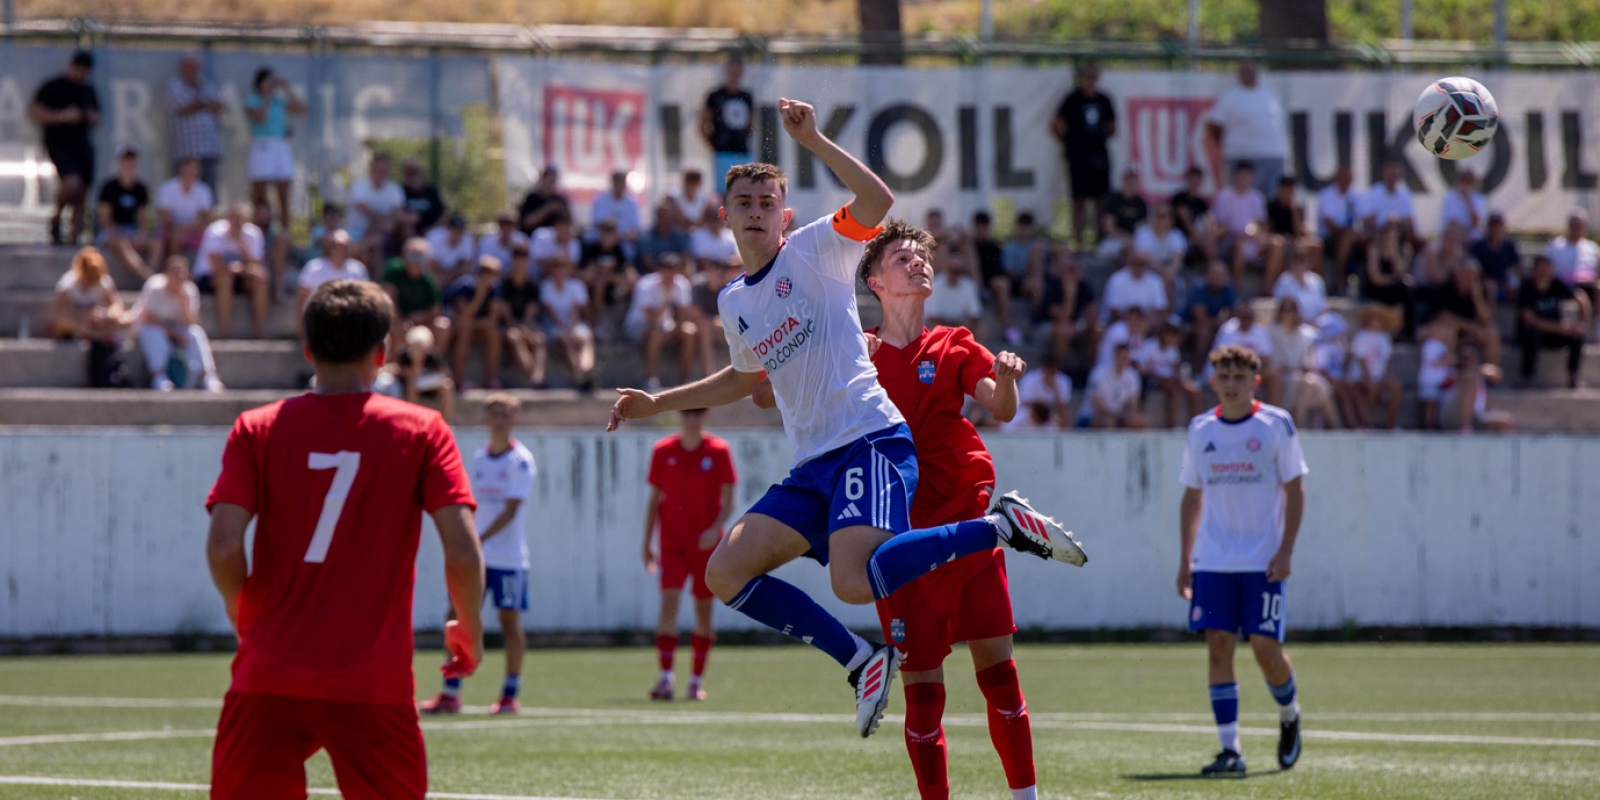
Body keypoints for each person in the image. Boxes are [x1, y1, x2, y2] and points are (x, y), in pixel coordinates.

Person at [607, 102, 1084, 739]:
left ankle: (998, 527)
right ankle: (861, 661)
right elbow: (745, 379)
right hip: (812, 465)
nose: (756, 212)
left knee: (855, 583)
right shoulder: (733, 301)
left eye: (767, 203)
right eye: (744, 203)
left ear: (785, 216)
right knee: (724, 573)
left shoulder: (816, 249)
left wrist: (813, 138)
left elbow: (878, 200)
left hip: (870, 440)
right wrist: (657, 403)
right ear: (724, 216)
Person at [204, 279, 485, 800]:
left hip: (268, 673)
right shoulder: (424, 430)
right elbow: (462, 550)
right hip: (372, 681)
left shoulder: (255, 428)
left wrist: (241, 610)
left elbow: (222, 547)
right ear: (382, 352)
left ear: (308, 350)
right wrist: (469, 626)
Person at [848, 220, 1043, 799]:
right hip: (904, 542)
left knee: (1000, 677)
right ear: (875, 281)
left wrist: (1006, 379)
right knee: (924, 695)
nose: (918, 263)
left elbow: (1001, 408)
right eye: (902, 258)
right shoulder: (857, 355)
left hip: (969, 525)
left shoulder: (954, 342)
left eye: (922, 257)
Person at [1177, 344, 1306, 777]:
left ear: (1255, 382)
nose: (1231, 385)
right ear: (1213, 382)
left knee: (1266, 649)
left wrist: (1286, 550)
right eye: (1224, 377)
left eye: (1239, 377)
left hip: (1262, 561)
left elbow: (1295, 490)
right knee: (1218, 645)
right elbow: (1192, 496)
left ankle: (1289, 713)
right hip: (1213, 560)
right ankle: (1229, 750)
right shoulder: (1200, 429)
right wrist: (1185, 558)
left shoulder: (1275, 424)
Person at [423, 393, 535, 715]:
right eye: (494, 414)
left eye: (505, 414)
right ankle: (450, 691)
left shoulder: (520, 460)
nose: (499, 420)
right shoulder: (478, 459)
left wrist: (475, 537)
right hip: (479, 558)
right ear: (486, 420)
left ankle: (510, 693)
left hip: (509, 558)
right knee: (456, 615)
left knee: (509, 621)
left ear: (514, 420)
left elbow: (510, 510)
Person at [643, 408, 738, 702]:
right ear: (679, 415)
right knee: (668, 604)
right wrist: (646, 542)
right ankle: (665, 678)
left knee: (703, 609)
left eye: (697, 413)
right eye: (687, 413)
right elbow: (654, 500)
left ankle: (696, 681)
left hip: (706, 546)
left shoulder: (719, 450)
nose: (692, 419)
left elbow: (729, 501)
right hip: (671, 543)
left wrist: (714, 529)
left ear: (706, 415)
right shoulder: (663, 450)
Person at [31, 51, 100, 245]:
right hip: (59, 145)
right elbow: (36, 112)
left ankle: (73, 242)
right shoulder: (53, 87)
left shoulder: (88, 90)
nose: (81, 75)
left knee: (81, 194)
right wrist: (62, 116)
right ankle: (56, 216)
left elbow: (97, 115)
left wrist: (86, 116)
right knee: (71, 184)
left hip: (82, 147)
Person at [128, 255, 223, 392]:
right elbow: (148, 319)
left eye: (183, 273)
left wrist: (183, 303)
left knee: (195, 332)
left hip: (176, 331)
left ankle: (207, 376)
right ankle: (159, 377)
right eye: (175, 273)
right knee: (153, 332)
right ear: (166, 273)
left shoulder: (189, 290)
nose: (179, 277)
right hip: (150, 330)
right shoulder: (155, 286)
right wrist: (175, 335)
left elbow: (191, 321)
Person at [1052, 61, 1116, 250]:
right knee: (1078, 200)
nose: (1091, 80)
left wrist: (1096, 142)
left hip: (1099, 156)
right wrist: (1070, 143)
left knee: (1100, 201)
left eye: (1094, 76)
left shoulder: (1104, 100)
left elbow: (1112, 128)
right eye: (1088, 76)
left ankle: (1100, 242)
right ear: (1081, 77)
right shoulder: (1072, 99)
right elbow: (1055, 125)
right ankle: (1078, 244)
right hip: (1078, 158)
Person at [1205, 60, 1288, 197]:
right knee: (1243, 198)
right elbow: (1214, 125)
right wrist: (1230, 143)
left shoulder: (1270, 95)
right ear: (1239, 75)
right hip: (1242, 157)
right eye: (1245, 71)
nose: (1249, 74)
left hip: (1272, 156)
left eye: (1251, 71)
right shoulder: (1230, 96)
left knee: (1272, 200)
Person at [625, 251, 700, 390]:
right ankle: (650, 379)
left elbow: (683, 316)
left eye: (673, 269)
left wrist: (674, 326)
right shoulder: (645, 284)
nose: (670, 274)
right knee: (656, 334)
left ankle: (685, 379)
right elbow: (652, 319)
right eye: (666, 269)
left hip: (665, 326)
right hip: (638, 326)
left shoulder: (682, 284)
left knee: (689, 331)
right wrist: (666, 297)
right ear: (659, 269)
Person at [194, 204, 270, 340]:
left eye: (241, 219)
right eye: (234, 218)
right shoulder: (215, 231)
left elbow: (256, 265)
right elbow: (216, 265)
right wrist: (235, 269)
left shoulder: (253, 233)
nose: (237, 223)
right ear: (227, 218)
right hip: (209, 278)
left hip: (239, 277)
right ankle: (226, 332)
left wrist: (241, 243)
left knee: (260, 279)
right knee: (225, 279)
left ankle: (260, 332)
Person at [244, 66, 306, 231]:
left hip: (280, 146)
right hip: (261, 146)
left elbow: (302, 109)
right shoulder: (252, 101)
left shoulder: (280, 100)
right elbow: (261, 118)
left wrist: (288, 90)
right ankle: (258, 231)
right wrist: (266, 97)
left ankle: (284, 233)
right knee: (259, 195)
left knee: (284, 194)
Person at [1517, 255, 1590, 389]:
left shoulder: (1557, 284)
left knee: (1577, 336)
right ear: (1534, 270)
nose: (1544, 273)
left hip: (1555, 334)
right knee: (1531, 333)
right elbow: (1528, 319)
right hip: (1534, 334)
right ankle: (1527, 377)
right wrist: (1559, 327)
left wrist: (1581, 324)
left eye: (1547, 269)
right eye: (1541, 270)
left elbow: (1581, 299)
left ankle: (1573, 378)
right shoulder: (1526, 288)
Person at [444, 256, 508, 390]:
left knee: (494, 332)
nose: (490, 278)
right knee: (464, 332)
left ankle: (491, 379)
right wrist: (479, 295)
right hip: (455, 330)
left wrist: (471, 323)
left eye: (494, 274)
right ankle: (459, 380)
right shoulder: (463, 286)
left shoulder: (496, 289)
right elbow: (463, 316)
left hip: (473, 327)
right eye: (485, 272)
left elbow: (492, 320)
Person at [296, 230, 370, 342]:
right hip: (318, 323)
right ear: (328, 247)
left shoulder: (358, 270)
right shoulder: (314, 268)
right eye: (336, 246)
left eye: (344, 246)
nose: (340, 250)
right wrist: (300, 329)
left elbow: (365, 301)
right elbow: (300, 300)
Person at [95, 145, 156, 281]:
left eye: (132, 161)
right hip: (111, 232)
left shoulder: (141, 189)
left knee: (156, 243)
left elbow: (142, 218)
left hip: (131, 230)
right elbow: (105, 219)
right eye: (126, 161)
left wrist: (140, 233)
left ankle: (151, 274)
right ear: (119, 163)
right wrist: (119, 232)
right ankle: (148, 278)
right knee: (122, 243)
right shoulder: (109, 187)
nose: (129, 165)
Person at [539, 253, 598, 390]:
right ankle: (579, 373)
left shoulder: (577, 285)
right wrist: (563, 327)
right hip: (553, 325)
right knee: (564, 339)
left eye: (563, 268)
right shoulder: (545, 286)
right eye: (557, 268)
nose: (560, 272)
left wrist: (570, 326)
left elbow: (576, 309)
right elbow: (549, 311)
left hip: (574, 323)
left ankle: (587, 369)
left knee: (585, 338)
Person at [165, 53, 224, 189]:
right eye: (190, 66)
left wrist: (199, 104)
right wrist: (205, 104)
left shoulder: (207, 84)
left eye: (196, 66)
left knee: (208, 193)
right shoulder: (174, 85)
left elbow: (219, 105)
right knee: (183, 192)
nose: (194, 70)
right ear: (182, 68)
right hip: (185, 152)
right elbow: (183, 108)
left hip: (208, 150)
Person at [49, 246, 126, 344]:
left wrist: (105, 315)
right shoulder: (67, 285)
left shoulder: (103, 282)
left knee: (126, 319)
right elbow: (58, 317)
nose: (91, 284)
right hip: (73, 327)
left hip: (96, 325)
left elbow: (117, 306)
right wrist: (80, 324)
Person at [1212, 162, 1269, 288]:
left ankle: (1268, 289)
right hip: (1230, 240)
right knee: (1239, 245)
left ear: (1252, 177)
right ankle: (1237, 289)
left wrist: (1256, 234)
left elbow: (1262, 224)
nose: (1243, 179)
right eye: (1241, 176)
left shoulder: (1257, 197)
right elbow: (1220, 226)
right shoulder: (1224, 197)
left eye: (1247, 176)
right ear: (1234, 176)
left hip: (1253, 240)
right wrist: (1239, 234)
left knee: (1277, 245)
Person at [382, 236, 445, 352]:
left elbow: (435, 310)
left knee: (442, 326)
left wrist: (422, 316)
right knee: (398, 329)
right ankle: (395, 362)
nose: (416, 261)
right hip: (397, 319)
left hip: (420, 323)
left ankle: (433, 361)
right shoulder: (394, 270)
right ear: (404, 256)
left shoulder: (429, 280)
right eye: (413, 256)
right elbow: (388, 299)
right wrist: (401, 320)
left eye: (420, 257)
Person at [1036, 250, 1097, 366]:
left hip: (1074, 325)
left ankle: (1092, 370)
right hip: (1048, 325)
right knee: (1062, 332)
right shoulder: (1052, 287)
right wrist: (1070, 294)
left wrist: (1081, 326)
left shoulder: (1085, 287)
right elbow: (1062, 317)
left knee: (1098, 330)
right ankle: (1065, 371)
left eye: (1075, 271)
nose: (1072, 275)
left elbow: (1092, 313)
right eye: (1069, 271)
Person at [1346, 304, 1403, 429]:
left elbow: (1386, 361)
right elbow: (1361, 361)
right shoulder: (1361, 336)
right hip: (1360, 376)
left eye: (1379, 319)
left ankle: (1391, 425)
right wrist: (1369, 379)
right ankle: (1367, 423)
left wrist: (1386, 377)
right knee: (1371, 388)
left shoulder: (1385, 337)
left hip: (1379, 376)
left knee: (1396, 387)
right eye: (1373, 318)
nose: (1375, 322)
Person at [500, 244, 548, 387]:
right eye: (518, 259)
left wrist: (526, 329)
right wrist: (519, 328)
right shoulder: (504, 284)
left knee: (539, 339)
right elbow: (506, 316)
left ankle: (538, 378)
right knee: (514, 337)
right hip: (508, 325)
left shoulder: (533, 285)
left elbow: (530, 315)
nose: (521, 264)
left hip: (526, 324)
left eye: (524, 260)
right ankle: (534, 378)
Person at [702, 56, 755, 181]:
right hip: (722, 153)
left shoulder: (747, 96)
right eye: (732, 71)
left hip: (742, 152)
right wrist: (714, 145)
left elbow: (750, 124)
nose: (734, 74)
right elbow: (703, 124)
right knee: (724, 188)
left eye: (737, 71)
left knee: (745, 186)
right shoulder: (715, 96)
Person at [155, 157, 215, 265]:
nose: (191, 171)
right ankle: (173, 268)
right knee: (176, 236)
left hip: (191, 230)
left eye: (194, 168)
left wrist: (187, 228)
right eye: (188, 167)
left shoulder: (203, 190)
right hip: (169, 230)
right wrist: (179, 229)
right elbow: (165, 218)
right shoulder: (167, 188)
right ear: (181, 169)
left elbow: (207, 220)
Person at [348, 153, 406, 265]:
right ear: (371, 169)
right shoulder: (358, 186)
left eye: (384, 170)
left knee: (384, 234)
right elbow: (365, 210)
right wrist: (383, 221)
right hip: (358, 231)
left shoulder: (394, 188)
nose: (381, 173)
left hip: (385, 231)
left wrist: (388, 222)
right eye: (379, 169)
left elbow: (397, 211)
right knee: (377, 237)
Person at [1138, 324, 1200, 428]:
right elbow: (1145, 369)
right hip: (1154, 380)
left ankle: (1196, 424)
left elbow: (1175, 366)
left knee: (1194, 390)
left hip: (1172, 379)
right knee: (1174, 390)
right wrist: (1161, 378)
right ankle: (1172, 424)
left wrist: (1177, 374)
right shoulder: (1150, 345)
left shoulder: (1173, 348)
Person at [1315, 165, 1365, 285]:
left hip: (1351, 237)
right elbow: (1331, 226)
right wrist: (1350, 233)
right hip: (1328, 238)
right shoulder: (1326, 195)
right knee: (1348, 238)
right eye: (1342, 177)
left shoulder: (1355, 197)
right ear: (1336, 178)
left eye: (1348, 178)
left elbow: (1363, 220)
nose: (1345, 181)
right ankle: (1339, 276)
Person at [1081, 342, 1148, 429]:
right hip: (1094, 416)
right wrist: (1118, 416)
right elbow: (1098, 406)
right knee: (1108, 422)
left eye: (1126, 357)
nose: (1123, 360)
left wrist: (1128, 414)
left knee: (1140, 421)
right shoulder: (1098, 374)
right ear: (1114, 356)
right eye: (1121, 357)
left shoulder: (1132, 376)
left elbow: (1133, 403)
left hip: (1120, 415)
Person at [1185, 261, 1238, 367]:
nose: (1218, 278)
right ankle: (1198, 369)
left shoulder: (1228, 288)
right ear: (1207, 275)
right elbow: (1201, 319)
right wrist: (1220, 323)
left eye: (1221, 275)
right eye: (1215, 275)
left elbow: (1233, 315)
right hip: (1189, 324)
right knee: (1204, 332)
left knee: (1231, 331)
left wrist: (1221, 324)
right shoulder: (1199, 288)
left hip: (1214, 324)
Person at [1263, 176, 1312, 290]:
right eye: (1286, 189)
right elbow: (1268, 229)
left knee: (1314, 246)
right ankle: (1268, 288)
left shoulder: (1297, 208)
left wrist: (1294, 213)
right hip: (1275, 241)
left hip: (1294, 242)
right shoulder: (1271, 206)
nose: (1288, 193)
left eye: (1291, 190)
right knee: (1279, 246)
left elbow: (1301, 233)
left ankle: (1311, 286)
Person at [1543, 209, 1599, 303]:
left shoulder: (1592, 248)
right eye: (1574, 224)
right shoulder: (1555, 246)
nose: (1577, 228)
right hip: (1564, 286)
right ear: (1569, 225)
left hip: (1589, 285)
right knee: (1580, 296)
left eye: (1579, 225)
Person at [1132, 204, 1188, 299]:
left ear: (1171, 220)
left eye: (1162, 217)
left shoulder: (1177, 235)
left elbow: (1178, 260)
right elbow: (1145, 257)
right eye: (1156, 216)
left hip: (1169, 269)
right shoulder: (1143, 233)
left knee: (1171, 281)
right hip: (1148, 269)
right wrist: (1163, 271)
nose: (1158, 219)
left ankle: (1169, 308)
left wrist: (1170, 272)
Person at [925, 241, 983, 332]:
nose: (954, 274)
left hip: (962, 328)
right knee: (932, 327)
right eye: (952, 270)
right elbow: (932, 317)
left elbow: (975, 314)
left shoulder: (968, 285)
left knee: (980, 329)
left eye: (957, 271)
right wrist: (954, 325)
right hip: (941, 328)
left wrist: (962, 325)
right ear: (946, 269)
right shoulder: (935, 285)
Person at [1361, 160, 1419, 250]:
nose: (1392, 176)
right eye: (1390, 173)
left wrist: (1395, 221)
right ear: (1384, 173)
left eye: (1394, 173)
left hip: (1399, 234)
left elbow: (1409, 220)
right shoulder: (1373, 192)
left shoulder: (1405, 195)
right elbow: (1365, 219)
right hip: (1378, 234)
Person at [1100, 252, 1168, 323]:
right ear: (1130, 264)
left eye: (1141, 264)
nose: (1138, 267)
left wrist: (1144, 323)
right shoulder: (1117, 279)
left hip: (1147, 323)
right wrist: (1132, 322)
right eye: (1136, 264)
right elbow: (1114, 310)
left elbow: (1159, 309)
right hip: (1122, 322)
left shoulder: (1155, 280)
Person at [1470, 212, 1520, 303]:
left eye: (1498, 226)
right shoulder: (1478, 247)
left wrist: (1514, 281)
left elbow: (1518, 266)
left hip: (1505, 284)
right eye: (1493, 226)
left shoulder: (1509, 247)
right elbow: (1472, 267)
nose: (1496, 229)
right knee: (1490, 288)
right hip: (1484, 284)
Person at [1098, 169, 1148, 259]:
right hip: (1113, 240)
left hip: (1134, 242)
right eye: (1129, 178)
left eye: (1133, 179)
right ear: (1124, 179)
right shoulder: (1113, 200)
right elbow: (1109, 228)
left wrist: (1134, 240)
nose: (1131, 182)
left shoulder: (1140, 203)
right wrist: (1127, 238)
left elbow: (1143, 226)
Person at [1170, 166, 1216, 265]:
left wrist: (1207, 237)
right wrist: (1197, 237)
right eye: (1193, 178)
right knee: (1184, 214)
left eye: (1198, 179)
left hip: (1198, 237)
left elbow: (1209, 222)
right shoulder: (1179, 198)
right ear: (1188, 179)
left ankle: (1208, 271)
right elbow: (1183, 218)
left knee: (1210, 244)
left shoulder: (1202, 203)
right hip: (1179, 236)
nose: (1195, 182)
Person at [1271, 247, 1327, 322]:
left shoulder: (1316, 280)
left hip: (1318, 322)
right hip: (1296, 325)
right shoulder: (1283, 281)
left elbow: (1322, 307)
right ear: (1291, 262)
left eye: (1302, 260)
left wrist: (1316, 323)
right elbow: (1279, 308)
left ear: (1308, 263)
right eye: (1295, 260)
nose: (1298, 264)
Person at [638, 203, 692, 274]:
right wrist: (666, 276)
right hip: (653, 276)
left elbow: (686, 258)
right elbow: (648, 264)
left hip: (676, 274)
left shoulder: (679, 235)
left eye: (666, 216)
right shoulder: (646, 238)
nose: (663, 219)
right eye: (661, 216)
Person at [517, 166, 571, 235]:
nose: (551, 184)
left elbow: (568, 222)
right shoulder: (532, 198)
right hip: (533, 237)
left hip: (555, 238)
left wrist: (561, 210)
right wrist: (547, 209)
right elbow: (526, 222)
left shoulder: (559, 199)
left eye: (553, 181)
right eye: (549, 181)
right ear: (543, 179)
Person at [399, 158, 446, 238]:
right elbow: (397, 214)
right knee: (406, 228)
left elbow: (442, 217)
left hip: (430, 233)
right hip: (409, 234)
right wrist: (407, 218)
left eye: (415, 172)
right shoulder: (401, 191)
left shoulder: (431, 191)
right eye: (410, 173)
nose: (413, 176)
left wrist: (430, 229)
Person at [592, 171, 644, 241]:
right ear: (612, 183)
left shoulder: (631, 203)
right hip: (602, 239)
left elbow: (636, 227)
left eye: (621, 183)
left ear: (625, 184)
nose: (619, 186)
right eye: (617, 183)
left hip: (624, 240)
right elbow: (597, 222)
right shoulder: (601, 200)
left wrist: (622, 236)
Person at [426, 213, 478, 282]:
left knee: (468, 280)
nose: (456, 233)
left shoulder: (468, 240)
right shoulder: (435, 237)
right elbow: (432, 265)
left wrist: (450, 276)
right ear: (448, 229)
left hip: (456, 278)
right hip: (437, 276)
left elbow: (466, 267)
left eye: (459, 230)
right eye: (454, 230)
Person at [1441, 168, 1487, 242]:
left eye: (1469, 181)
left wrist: (1468, 201)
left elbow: (1476, 223)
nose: (1466, 184)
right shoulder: (1450, 196)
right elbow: (1451, 222)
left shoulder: (1479, 199)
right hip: (1454, 237)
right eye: (1463, 180)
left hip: (1473, 238)